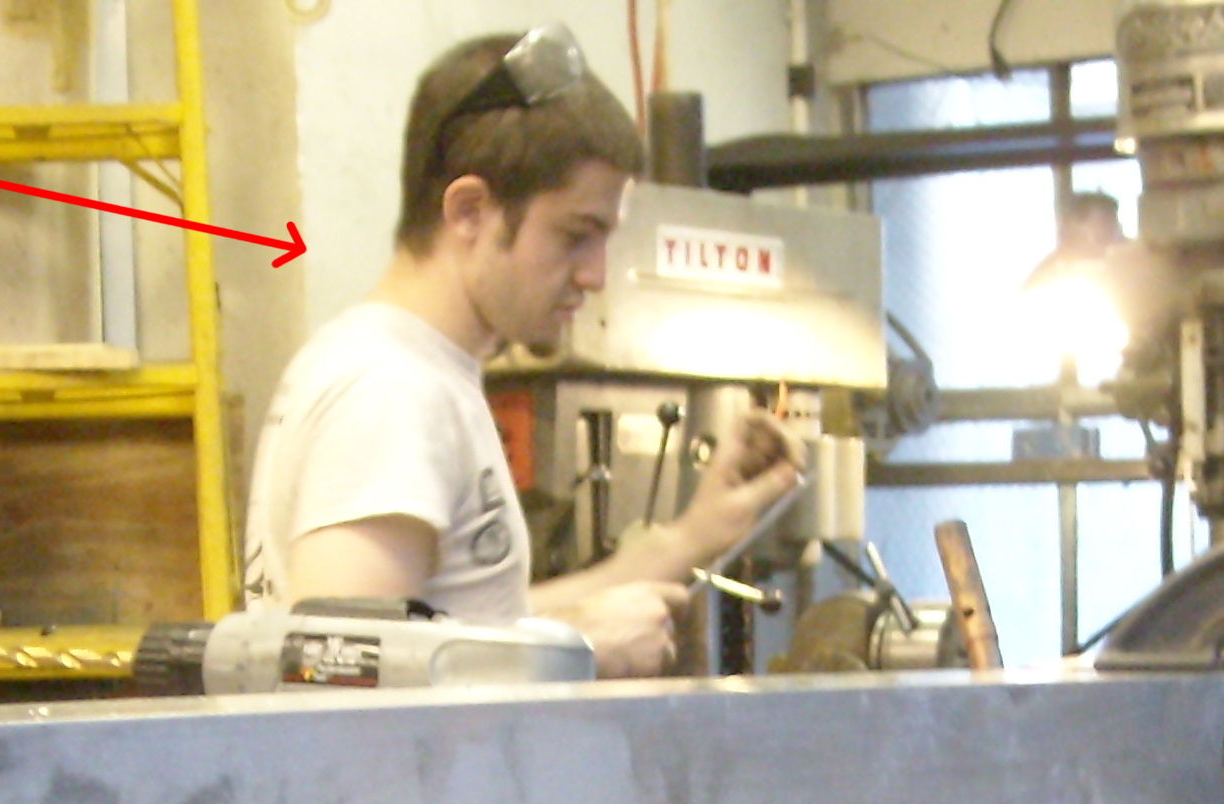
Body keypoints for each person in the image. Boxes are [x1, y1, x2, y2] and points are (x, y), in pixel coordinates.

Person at [238, 24, 804, 678]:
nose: (595, 274)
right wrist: (574, 649)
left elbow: (472, 627)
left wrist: (695, 535)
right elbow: (336, 673)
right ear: (469, 212)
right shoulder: (391, 390)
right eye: (575, 235)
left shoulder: (416, 373)